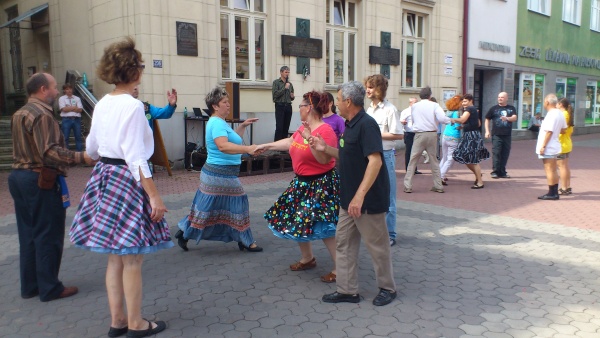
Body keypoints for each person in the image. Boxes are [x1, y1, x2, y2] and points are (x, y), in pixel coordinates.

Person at [69, 38, 172, 337]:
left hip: (105, 176)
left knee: (115, 256)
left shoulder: (102, 103)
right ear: (134, 71)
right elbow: (137, 157)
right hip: (127, 179)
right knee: (132, 259)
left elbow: (92, 149)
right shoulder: (133, 106)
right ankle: (137, 323)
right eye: (140, 65)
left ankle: (118, 321)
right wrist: (154, 196)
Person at [310, 81, 396, 306]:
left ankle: (388, 288)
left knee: (377, 246)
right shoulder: (349, 124)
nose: (336, 103)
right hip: (348, 198)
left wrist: (359, 197)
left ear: (348, 101)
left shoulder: (367, 125)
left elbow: (375, 162)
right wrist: (325, 149)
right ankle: (347, 291)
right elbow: (348, 155)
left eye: (338, 99)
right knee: (344, 244)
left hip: (367, 199)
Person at [8, 73, 93, 302]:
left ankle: (31, 286)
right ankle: (50, 288)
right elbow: (50, 152)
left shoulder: (20, 113)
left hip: (18, 177)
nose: (57, 92)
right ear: (44, 89)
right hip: (39, 178)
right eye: (54, 88)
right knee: (48, 234)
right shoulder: (42, 115)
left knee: (28, 234)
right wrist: (81, 156)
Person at [258, 91, 339, 283]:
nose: (299, 109)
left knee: (324, 227)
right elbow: (290, 142)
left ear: (309, 107)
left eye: (301, 106)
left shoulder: (325, 131)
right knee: (298, 220)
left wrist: (311, 139)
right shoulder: (304, 128)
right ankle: (307, 259)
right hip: (301, 183)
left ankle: (340, 268)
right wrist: (266, 145)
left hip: (320, 185)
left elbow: (323, 159)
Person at [175, 86, 262, 252]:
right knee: (238, 203)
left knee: (206, 209)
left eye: (228, 102)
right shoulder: (216, 123)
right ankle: (245, 240)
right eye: (225, 102)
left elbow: (232, 141)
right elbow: (223, 146)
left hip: (220, 173)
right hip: (218, 174)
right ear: (215, 106)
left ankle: (184, 233)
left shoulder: (220, 123)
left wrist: (242, 126)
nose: (228, 105)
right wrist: (248, 149)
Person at [364, 74, 403, 247]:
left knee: (389, 195)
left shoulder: (390, 109)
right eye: (367, 86)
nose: (367, 90)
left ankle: (390, 234)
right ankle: (375, 231)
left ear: (379, 89)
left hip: (385, 156)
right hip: (370, 155)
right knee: (372, 193)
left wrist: (375, 134)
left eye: (371, 87)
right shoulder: (369, 109)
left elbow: (398, 134)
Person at [403, 86, 451, 193]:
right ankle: (438, 185)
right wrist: (450, 120)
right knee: (434, 160)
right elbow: (442, 118)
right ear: (430, 95)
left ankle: (408, 185)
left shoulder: (415, 106)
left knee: (413, 160)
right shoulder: (434, 105)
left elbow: (414, 120)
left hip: (419, 134)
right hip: (432, 134)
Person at [451, 94, 490, 189]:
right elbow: (478, 123)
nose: (463, 103)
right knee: (466, 158)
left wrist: (452, 119)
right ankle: (478, 176)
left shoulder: (470, 109)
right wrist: (465, 126)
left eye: (465, 101)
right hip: (471, 135)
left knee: (472, 159)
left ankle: (480, 182)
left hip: (471, 136)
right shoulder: (473, 110)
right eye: (462, 101)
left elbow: (462, 119)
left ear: (470, 101)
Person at [536, 94, 567, 200]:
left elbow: (549, 131)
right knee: (553, 169)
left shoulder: (551, 114)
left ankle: (552, 193)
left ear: (547, 102)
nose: (544, 103)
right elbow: (564, 129)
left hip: (549, 146)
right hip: (555, 144)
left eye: (544, 101)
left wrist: (543, 146)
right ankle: (554, 192)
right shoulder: (560, 113)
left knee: (549, 169)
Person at [485, 92, 517, 179]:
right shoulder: (493, 109)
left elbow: (514, 118)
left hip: (507, 135)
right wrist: (487, 131)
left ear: (506, 98)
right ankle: (495, 171)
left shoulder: (511, 108)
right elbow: (487, 119)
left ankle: (502, 172)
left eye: (502, 97)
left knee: (505, 153)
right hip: (496, 134)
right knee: (496, 153)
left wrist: (507, 118)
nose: (500, 98)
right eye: (499, 97)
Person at [440, 95, 463, 185]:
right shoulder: (457, 113)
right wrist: (463, 125)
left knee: (444, 157)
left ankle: (438, 174)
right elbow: (457, 127)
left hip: (445, 135)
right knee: (451, 158)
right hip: (453, 137)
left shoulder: (448, 112)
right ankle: (441, 175)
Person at [58, 83, 84, 151]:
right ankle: (66, 155)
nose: (69, 90)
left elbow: (80, 110)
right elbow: (63, 109)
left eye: (70, 89)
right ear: (64, 90)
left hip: (76, 119)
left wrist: (68, 108)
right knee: (65, 138)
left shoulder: (77, 98)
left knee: (78, 137)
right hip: (66, 120)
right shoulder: (61, 98)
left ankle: (79, 154)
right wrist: (74, 107)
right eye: (67, 89)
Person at [272, 66, 295, 141]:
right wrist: (284, 88)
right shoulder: (276, 82)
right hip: (280, 106)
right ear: (281, 72)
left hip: (288, 106)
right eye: (286, 72)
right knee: (279, 127)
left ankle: (283, 147)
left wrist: (292, 96)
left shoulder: (290, 84)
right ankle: (276, 146)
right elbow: (275, 95)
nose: (287, 74)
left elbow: (291, 97)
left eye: (288, 72)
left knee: (286, 127)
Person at [399, 97, 422, 174]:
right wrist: (403, 122)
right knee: (409, 152)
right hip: (409, 133)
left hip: (417, 133)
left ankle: (414, 169)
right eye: (415, 102)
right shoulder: (405, 111)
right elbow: (401, 120)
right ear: (410, 103)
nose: (416, 104)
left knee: (416, 152)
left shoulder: (419, 111)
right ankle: (408, 169)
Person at [557, 97, 574, 195]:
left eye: (557, 104)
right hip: (567, 143)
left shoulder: (563, 115)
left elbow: (560, 129)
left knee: (561, 167)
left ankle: (563, 187)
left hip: (561, 144)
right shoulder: (569, 115)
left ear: (560, 104)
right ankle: (567, 186)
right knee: (566, 167)